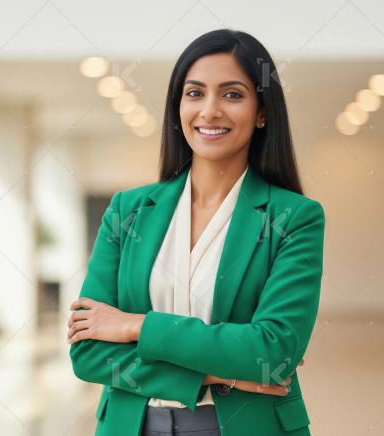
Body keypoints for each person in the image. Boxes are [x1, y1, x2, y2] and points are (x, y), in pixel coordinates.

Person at [68, 28, 325, 436]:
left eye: (233, 94)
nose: (210, 110)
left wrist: (136, 326)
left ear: (262, 113)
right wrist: (216, 376)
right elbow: (88, 353)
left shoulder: (295, 217)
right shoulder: (128, 211)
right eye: (194, 93)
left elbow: (273, 350)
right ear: (178, 108)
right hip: (132, 425)